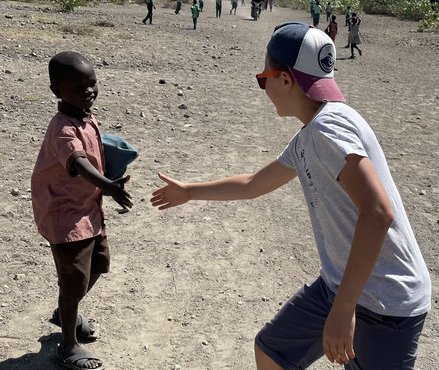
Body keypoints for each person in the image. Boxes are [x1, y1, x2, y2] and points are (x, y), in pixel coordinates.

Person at [150, 22, 431, 370]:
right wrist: (190, 191)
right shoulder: (311, 135)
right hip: (342, 285)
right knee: (272, 352)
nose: (262, 86)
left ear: (284, 80)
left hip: (385, 302)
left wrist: (343, 310)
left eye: (262, 77)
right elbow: (253, 184)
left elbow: (377, 212)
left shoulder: (327, 129)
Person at [31, 51, 133, 370]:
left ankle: (66, 313)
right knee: (73, 280)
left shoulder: (86, 117)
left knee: (99, 266)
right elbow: (78, 162)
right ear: (56, 91)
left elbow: (94, 152)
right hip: (65, 216)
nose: (89, 91)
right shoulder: (62, 128)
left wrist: (112, 166)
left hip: (87, 211)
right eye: (79, 87)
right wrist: (108, 185)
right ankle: (67, 345)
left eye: (92, 84)